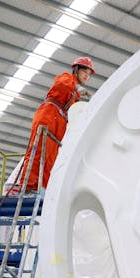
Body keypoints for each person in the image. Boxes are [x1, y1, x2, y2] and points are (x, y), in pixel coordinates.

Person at [17, 56, 95, 192]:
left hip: (60, 122)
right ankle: (28, 186)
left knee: (50, 159)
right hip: (49, 114)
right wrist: (76, 86)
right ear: (76, 70)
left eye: (89, 75)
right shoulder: (66, 78)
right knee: (39, 151)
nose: (87, 76)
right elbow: (61, 84)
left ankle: (42, 190)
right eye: (85, 72)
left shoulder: (76, 95)